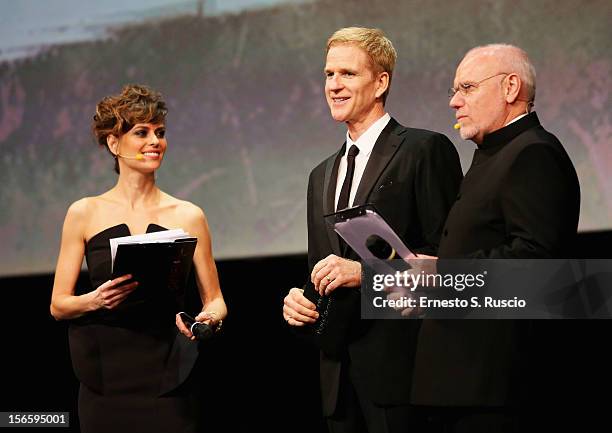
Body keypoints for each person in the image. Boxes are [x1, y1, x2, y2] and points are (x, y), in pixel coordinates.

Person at [282, 27, 463, 433]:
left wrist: (365, 275)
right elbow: (323, 268)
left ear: (381, 81)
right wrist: (302, 301)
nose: (334, 85)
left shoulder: (423, 150)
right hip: (337, 377)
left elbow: (451, 266)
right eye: (329, 75)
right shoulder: (320, 175)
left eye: (347, 74)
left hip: (402, 372)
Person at [405, 44, 580, 431]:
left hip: (495, 389)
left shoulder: (533, 154)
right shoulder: (494, 155)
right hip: (461, 385)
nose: (454, 102)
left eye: (466, 88)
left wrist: (442, 273)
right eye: (453, 90)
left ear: (510, 87)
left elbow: (535, 263)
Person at [50, 84, 227, 433]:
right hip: (104, 376)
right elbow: (59, 305)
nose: (155, 142)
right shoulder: (84, 213)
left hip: (168, 375)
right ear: (114, 144)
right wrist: (94, 299)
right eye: (141, 132)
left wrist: (205, 320)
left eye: (159, 133)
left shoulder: (188, 214)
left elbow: (216, 300)